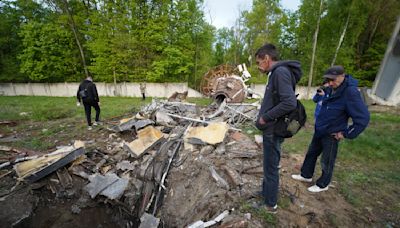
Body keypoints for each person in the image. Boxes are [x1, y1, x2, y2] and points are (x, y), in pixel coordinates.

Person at [292, 65, 370, 193]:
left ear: (342, 76)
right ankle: (306, 175)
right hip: (320, 129)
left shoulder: (350, 92)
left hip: (332, 133)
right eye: (328, 79)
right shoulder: (331, 87)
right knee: (311, 153)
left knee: (327, 160)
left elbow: (363, 118)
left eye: (333, 80)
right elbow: (320, 102)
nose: (330, 83)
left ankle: (323, 184)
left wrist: (346, 134)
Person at [254, 43, 302, 213]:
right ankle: (265, 193)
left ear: (267, 58)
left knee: (271, 167)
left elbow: (289, 102)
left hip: (273, 129)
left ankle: (270, 204)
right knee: (268, 165)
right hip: (271, 128)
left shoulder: (280, 72)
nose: (259, 66)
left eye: (259, 62)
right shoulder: (276, 73)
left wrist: (265, 118)